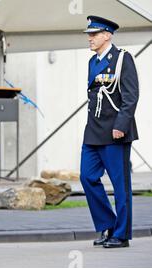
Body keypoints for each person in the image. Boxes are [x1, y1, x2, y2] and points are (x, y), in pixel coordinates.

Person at [81, 16, 139, 248]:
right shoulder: (92, 61)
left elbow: (130, 96)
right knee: (87, 177)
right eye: (89, 34)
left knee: (120, 185)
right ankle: (107, 224)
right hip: (93, 131)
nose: (90, 38)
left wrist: (120, 126)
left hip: (115, 131)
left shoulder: (123, 59)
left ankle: (121, 235)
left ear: (107, 35)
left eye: (94, 34)